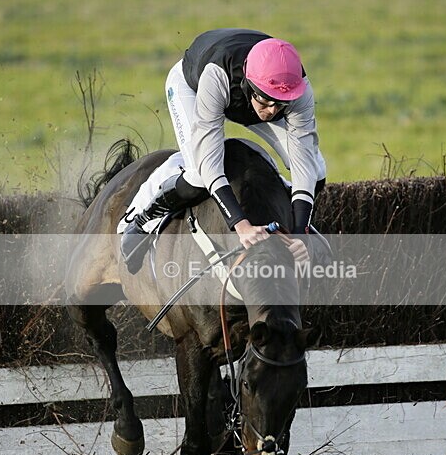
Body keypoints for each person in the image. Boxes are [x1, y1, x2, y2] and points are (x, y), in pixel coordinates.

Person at [121, 28, 326, 273]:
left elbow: (304, 166)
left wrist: (299, 233)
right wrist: (240, 225)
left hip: (252, 89)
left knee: (316, 170)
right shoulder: (217, 76)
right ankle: (146, 215)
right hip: (194, 86)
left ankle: (288, 212)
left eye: (279, 105)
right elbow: (211, 165)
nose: (271, 111)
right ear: (249, 85)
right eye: (265, 101)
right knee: (198, 173)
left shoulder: (298, 90)